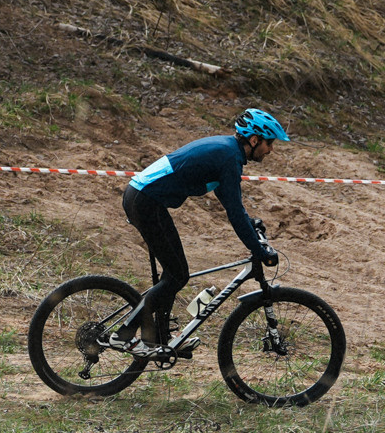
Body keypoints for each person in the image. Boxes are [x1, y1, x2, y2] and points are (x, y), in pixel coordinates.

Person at [119, 110, 288, 355]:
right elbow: (233, 213)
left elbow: (232, 204)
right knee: (177, 276)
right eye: (269, 143)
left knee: (174, 274)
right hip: (145, 201)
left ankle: (158, 337)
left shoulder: (227, 151)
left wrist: (251, 225)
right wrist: (258, 249)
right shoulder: (229, 157)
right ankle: (124, 333)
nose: (270, 149)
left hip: (143, 198)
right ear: (254, 140)